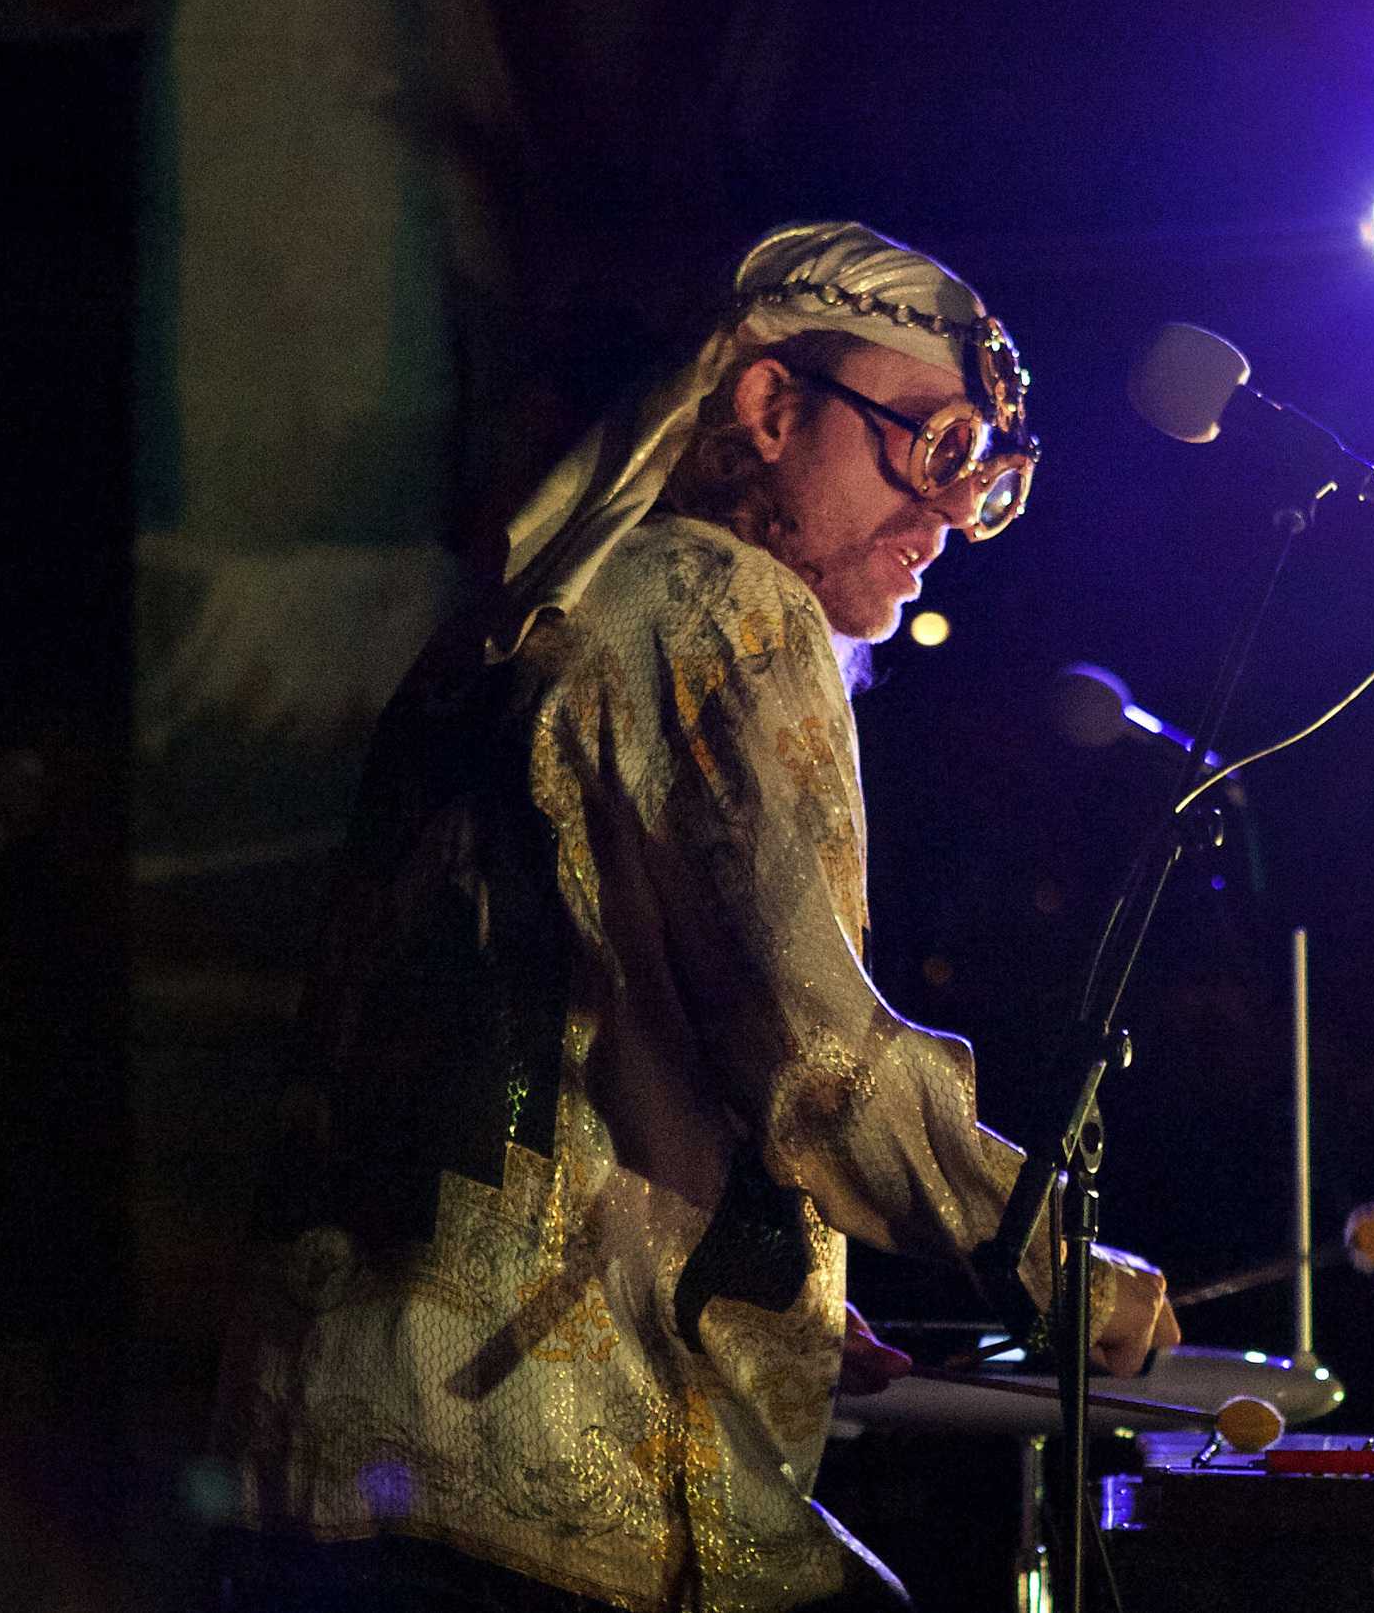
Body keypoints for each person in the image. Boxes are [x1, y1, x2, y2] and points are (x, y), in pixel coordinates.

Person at [208, 222, 1178, 1613]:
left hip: (327, 1447)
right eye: (932, 445)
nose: (949, 518)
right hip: (531, 1463)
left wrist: (765, 1272)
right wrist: (1058, 1263)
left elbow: (564, 1033)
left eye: (984, 479)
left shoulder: (538, 618)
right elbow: (819, 1061)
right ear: (772, 408)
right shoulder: (726, 605)